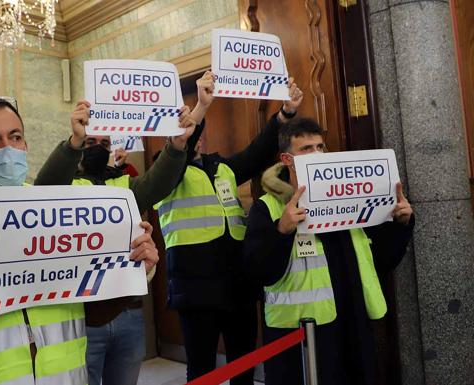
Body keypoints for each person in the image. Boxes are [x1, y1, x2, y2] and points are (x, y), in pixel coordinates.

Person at [0, 97, 160, 385]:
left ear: (26, 146)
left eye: (16, 137)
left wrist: (135, 268)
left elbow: (91, 311)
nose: (8, 149)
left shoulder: (55, 212)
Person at [155, 71, 303, 384]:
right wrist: (201, 109)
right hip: (195, 291)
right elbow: (180, 149)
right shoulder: (163, 171)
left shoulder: (219, 165)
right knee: (202, 371)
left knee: (244, 367)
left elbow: (256, 153)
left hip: (238, 285)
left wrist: (285, 113)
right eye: (181, 121)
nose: (189, 126)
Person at [35, 100, 196, 385]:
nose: (97, 146)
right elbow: (43, 189)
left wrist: (177, 145)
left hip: (128, 315)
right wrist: (74, 141)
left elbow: (157, 183)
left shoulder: (123, 185)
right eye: (91, 140)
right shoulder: (65, 184)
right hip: (83, 319)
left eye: (104, 142)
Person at [243, 118, 414, 385]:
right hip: (302, 334)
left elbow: (383, 259)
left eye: (321, 147)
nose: (317, 154)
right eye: (306, 149)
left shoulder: (351, 199)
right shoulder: (268, 208)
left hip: (353, 324)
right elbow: (257, 271)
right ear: (287, 159)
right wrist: (281, 231)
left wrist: (400, 224)